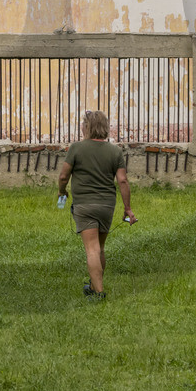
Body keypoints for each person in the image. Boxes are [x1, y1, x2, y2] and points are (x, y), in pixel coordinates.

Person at [56, 110, 135, 299]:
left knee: (91, 249)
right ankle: (93, 286)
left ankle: (99, 293)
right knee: (99, 248)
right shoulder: (115, 151)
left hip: (84, 204)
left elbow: (63, 176)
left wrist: (62, 191)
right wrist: (128, 208)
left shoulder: (76, 148)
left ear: (87, 127)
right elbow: (122, 181)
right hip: (107, 205)